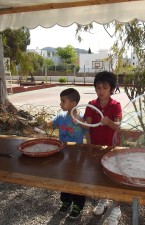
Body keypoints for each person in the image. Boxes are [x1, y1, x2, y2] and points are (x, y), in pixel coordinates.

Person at [44, 88, 89, 219]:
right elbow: (50, 123)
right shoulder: (60, 116)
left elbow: (87, 132)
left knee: (77, 179)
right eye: (61, 101)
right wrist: (43, 124)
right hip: (62, 154)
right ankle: (66, 201)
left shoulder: (81, 119)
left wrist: (90, 148)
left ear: (74, 103)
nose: (60, 104)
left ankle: (78, 205)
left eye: (63, 101)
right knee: (63, 178)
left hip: (77, 155)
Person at [84, 71, 122, 225]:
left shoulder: (116, 105)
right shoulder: (91, 105)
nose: (100, 91)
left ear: (112, 89)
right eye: (98, 88)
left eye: (104, 88)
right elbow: (88, 126)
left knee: (114, 179)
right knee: (99, 176)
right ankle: (103, 201)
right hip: (96, 148)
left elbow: (118, 127)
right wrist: (89, 145)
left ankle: (116, 210)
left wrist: (109, 123)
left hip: (112, 148)